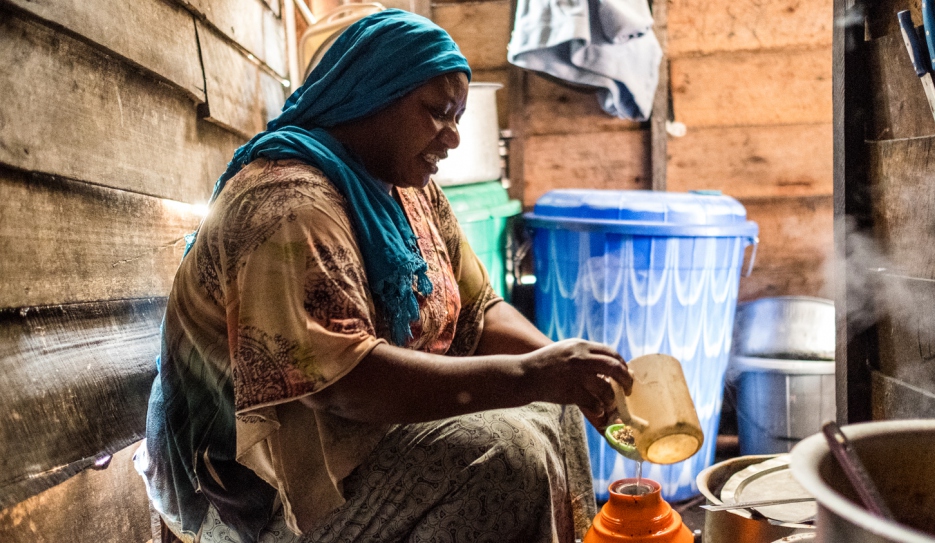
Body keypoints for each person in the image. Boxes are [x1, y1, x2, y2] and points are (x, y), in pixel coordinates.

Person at [135, 9, 632, 543]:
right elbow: (346, 386)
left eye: (458, 116)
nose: (454, 138)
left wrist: (568, 377)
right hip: (260, 488)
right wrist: (532, 374)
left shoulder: (405, 190)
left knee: (553, 411)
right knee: (506, 459)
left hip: (357, 437)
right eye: (438, 112)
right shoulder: (287, 207)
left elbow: (479, 308)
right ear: (371, 95)